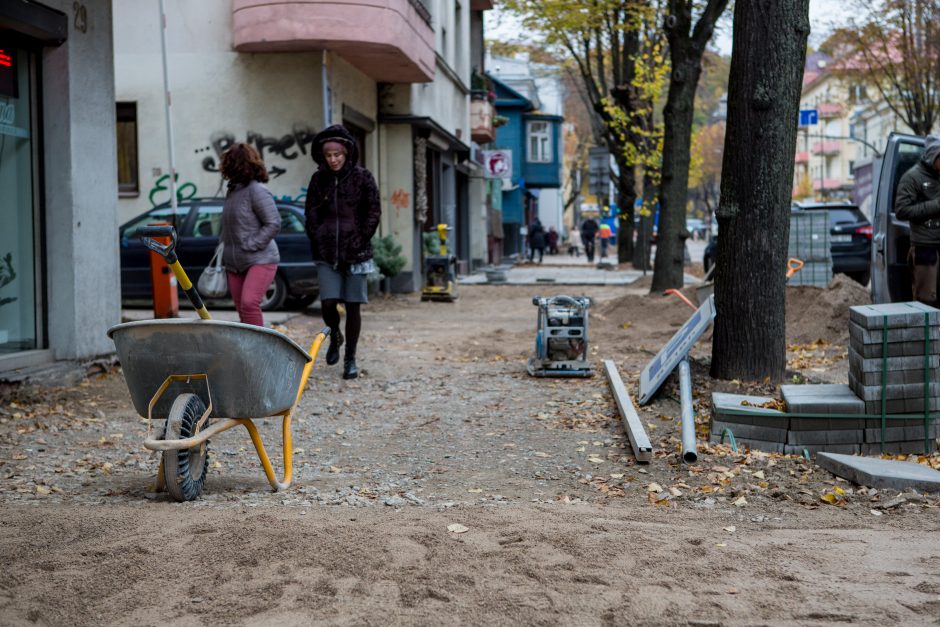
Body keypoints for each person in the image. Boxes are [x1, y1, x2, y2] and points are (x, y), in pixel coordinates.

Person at [304, 125, 381, 379]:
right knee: (327, 303)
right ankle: (334, 335)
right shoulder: (318, 180)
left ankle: (350, 358)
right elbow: (311, 213)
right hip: (326, 253)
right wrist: (318, 235)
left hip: (356, 254)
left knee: (353, 306)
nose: (333, 159)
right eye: (328, 155)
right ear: (323, 156)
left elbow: (373, 211)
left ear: (346, 153)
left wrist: (359, 239)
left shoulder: (363, 177)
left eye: (337, 154)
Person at [219, 143, 281, 327]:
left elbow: (274, 223)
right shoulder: (233, 191)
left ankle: (259, 350)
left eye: (229, 163)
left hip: (261, 259)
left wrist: (251, 244)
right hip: (234, 262)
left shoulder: (257, 190)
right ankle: (247, 352)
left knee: (249, 303)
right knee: (242, 310)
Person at [895, 134, 940, 307]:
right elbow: (901, 210)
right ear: (933, 155)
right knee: (926, 302)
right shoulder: (912, 177)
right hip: (925, 248)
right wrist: (935, 205)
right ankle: (925, 335)